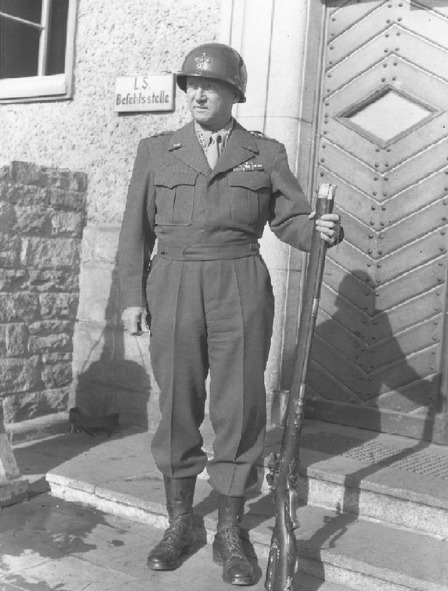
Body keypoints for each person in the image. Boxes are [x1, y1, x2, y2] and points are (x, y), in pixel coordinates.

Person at [118, 42, 343, 586]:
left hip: (239, 280)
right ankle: (179, 524)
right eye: (191, 84)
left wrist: (317, 231)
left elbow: (290, 220)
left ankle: (231, 529)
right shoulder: (157, 149)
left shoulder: (264, 153)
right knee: (177, 403)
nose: (197, 92)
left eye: (210, 85)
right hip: (172, 281)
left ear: (233, 93)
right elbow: (134, 232)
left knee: (239, 405)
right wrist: (132, 298)